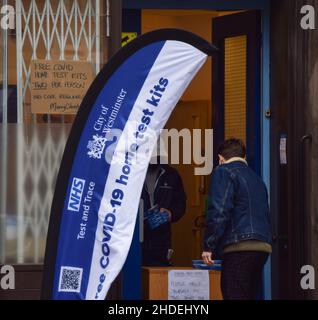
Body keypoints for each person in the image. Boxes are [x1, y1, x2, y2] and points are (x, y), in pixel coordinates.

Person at [202, 138, 272, 300]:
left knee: (233, 294)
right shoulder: (256, 178)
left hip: (239, 247)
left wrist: (209, 245)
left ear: (220, 158)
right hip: (262, 247)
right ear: (243, 157)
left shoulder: (223, 171)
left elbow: (219, 211)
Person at [141, 159, 186, 266]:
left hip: (161, 239)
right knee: (134, 276)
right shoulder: (131, 173)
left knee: (159, 276)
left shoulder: (171, 175)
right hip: (135, 238)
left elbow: (180, 203)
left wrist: (170, 213)